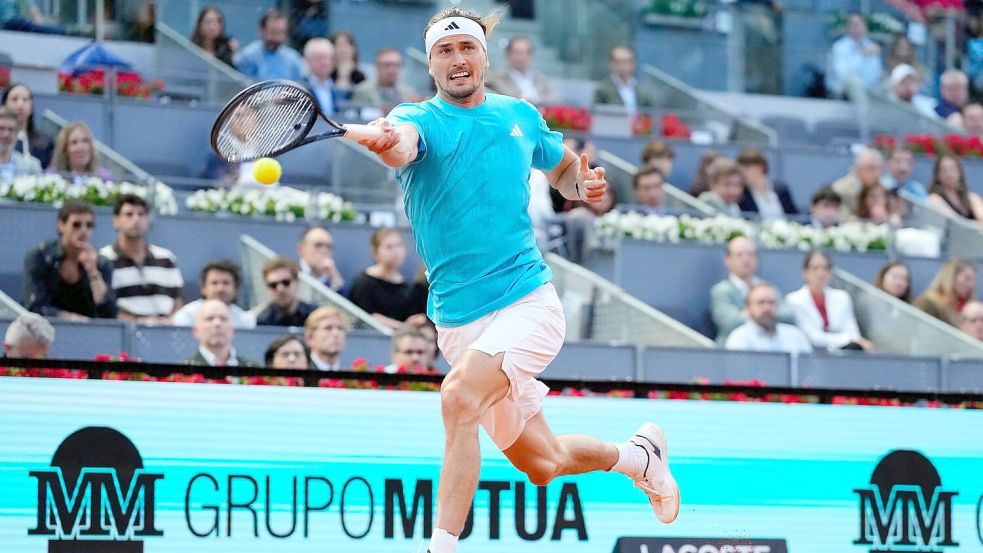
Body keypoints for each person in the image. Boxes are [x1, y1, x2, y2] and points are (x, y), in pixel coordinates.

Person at [354, 8, 680, 552]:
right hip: (458, 323)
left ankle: (440, 547)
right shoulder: (417, 118)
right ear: (431, 64)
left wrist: (584, 184)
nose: (458, 60)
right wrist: (390, 141)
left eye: (467, 49)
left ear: (485, 56)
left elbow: (564, 171)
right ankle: (638, 458)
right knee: (544, 463)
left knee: (458, 399)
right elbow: (403, 142)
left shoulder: (519, 116)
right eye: (445, 52)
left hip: (526, 300)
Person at [23, 199, 117, 320]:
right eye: (76, 225)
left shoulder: (101, 263)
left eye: (89, 225)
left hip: (89, 333)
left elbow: (108, 312)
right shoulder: (40, 257)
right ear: (61, 225)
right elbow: (35, 306)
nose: (84, 231)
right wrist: (72, 319)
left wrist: (92, 271)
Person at [99, 194, 184, 324]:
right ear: (116, 221)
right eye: (129, 214)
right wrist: (138, 322)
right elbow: (105, 306)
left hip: (164, 332)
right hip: (123, 333)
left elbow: (178, 300)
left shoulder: (166, 258)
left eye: (141, 214)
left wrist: (170, 321)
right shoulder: (104, 259)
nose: (136, 219)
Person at [709, 235, 795, 344]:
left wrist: (755, 313)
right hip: (732, 349)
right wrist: (762, 313)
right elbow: (729, 323)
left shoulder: (768, 287)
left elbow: (788, 315)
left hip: (770, 345)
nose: (746, 259)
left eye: (750, 254)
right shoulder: (721, 291)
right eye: (740, 255)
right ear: (728, 260)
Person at [785, 250, 874, 352]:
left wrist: (851, 340)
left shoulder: (842, 297)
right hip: (810, 356)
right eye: (815, 268)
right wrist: (847, 339)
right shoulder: (794, 300)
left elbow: (852, 331)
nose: (821, 273)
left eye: (826, 268)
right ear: (805, 272)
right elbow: (812, 337)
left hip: (843, 354)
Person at [347, 228, 428, 331]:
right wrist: (404, 327)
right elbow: (367, 316)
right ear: (375, 252)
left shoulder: (409, 289)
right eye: (389, 247)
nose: (396, 252)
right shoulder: (364, 283)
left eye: (399, 246)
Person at [725, 284, 813, 354]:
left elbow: (810, 371)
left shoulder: (795, 335)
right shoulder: (739, 338)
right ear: (748, 308)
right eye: (761, 303)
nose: (767, 308)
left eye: (771, 303)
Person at [172, 260, 256, 328]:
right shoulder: (187, 316)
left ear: (236, 290)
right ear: (203, 288)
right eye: (214, 283)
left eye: (226, 283)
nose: (220, 289)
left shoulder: (245, 321)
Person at [234, 10, 304, 82]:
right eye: (273, 32)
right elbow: (243, 86)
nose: (277, 38)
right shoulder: (247, 56)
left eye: (281, 33)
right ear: (262, 30)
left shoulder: (294, 59)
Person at [825, 12, 883, 98]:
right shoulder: (839, 47)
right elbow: (844, 75)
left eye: (859, 24)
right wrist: (863, 56)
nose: (857, 28)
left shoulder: (871, 46)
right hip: (842, 90)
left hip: (870, 89)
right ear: (847, 28)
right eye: (853, 25)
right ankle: (864, 111)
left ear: (866, 27)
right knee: (854, 82)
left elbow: (876, 73)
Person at [487, 36, 558, 105]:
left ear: (530, 55)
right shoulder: (496, 79)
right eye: (516, 53)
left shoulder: (541, 79)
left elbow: (555, 98)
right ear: (508, 55)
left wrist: (538, 99)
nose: (520, 57)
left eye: (524, 53)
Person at [187, 299, 257, 367]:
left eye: (223, 318)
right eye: (209, 318)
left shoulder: (253, 369)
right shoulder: (183, 373)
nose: (217, 324)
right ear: (195, 331)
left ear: (233, 330)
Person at [736, 147, 797, 221]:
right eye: (741, 169)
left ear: (761, 167)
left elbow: (794, 216)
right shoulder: (743, 196)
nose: (744, 173)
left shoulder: (781, 189)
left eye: (748, 168)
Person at [914, 257, 977, 326]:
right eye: (967, 278)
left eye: (973, 280)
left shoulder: (971, 307)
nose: (971, 285)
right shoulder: (928, 302)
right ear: (951, 276)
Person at [2, 83, 53, 167]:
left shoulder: (46, 143)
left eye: (25, 100)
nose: (20, 105)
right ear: (4, 105)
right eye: (14, 99)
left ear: (32, 107)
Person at [255, 257, 317, 327]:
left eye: (286, 282)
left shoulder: (315, 315)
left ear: (297, 282)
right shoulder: (263, 322)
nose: (280, 289)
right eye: (273, 285)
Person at [592, 45, 655, 114]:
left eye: (627, 61)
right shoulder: (602, 89)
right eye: (618, 62)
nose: (623, 66)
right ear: (611, 63)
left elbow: (649, 115)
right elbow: (596, 115)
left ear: (633, 63)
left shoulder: (643, 92)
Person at [352, 48, 420, 110]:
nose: (391, 70)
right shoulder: (363, 91)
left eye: (396, 65)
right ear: (377, 67)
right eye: (387, 65)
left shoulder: (409, 93)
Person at [46, 122, 113, 183]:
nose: (81, 147)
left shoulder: (104, 178)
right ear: (65, 149)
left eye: (85, 141)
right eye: (74, 142)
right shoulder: (52, 176)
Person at [927, 154, 983, 222]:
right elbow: (956, 223)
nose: (949, 174)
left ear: (960, 173)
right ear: (937, 175)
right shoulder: (934, 198)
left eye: (953, 169)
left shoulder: (972, 197)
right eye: (944, 170)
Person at [832, 148, 884, 218]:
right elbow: (842, 219)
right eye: (871, 168)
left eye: (879, 169)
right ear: (858, 169)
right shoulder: (840, 189)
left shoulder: (883, 189)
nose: (877, 174)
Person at [297, 226, 346, 293]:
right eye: (318, 245)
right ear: (301, 249)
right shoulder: (290, 276)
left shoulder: (333, 281)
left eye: (329, 247)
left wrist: (336, 281)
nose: (324, 251)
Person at [0, 107, 41, 181]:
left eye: (11, 129)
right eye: (1, 128)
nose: (6, 135)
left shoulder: (32, 167)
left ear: (17, 134)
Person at [304, 305, 348, 371]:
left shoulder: (351, 379)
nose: (336, 333)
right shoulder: (302, 375)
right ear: (310, 337)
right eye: (328, 328)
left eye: (340, 328)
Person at [301, 38, 337, 115]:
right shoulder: (299, 89)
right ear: (307, 60)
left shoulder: (338, 89)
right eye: (320, 58)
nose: (324, 62)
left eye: (328, 58)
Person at [329, 30, 366, 100]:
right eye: (339, 45)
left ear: (354, 49)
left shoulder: (360, 77)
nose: (343, 49)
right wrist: (343, 76)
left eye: (347, 44)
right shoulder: (326, 75)